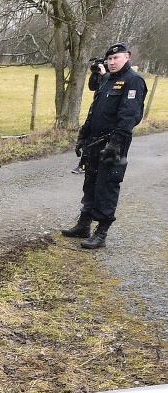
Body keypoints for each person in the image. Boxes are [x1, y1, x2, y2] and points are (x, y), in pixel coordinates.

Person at [62, 42, 147, 249]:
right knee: (90, 182)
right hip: (94, 141)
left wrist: (115, 143)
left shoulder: (133, 81)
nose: (111, 62)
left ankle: (102, 232)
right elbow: (94, 110)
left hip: (114, 143)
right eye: (109, 59)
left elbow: (129, 116)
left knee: (107, 185)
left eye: (115, 58)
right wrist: (83, 136)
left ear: (127, 57)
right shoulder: (107, 78)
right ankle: (84, 224)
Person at [73, 56, 108, 174]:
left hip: (105, 112)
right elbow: (92, 86)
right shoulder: (102, 76)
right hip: (96, 107)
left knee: (95, 142)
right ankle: (83, 166)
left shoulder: (112, 77)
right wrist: (95, 73)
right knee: (88, 137)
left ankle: (91, 167)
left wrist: (105, 75)